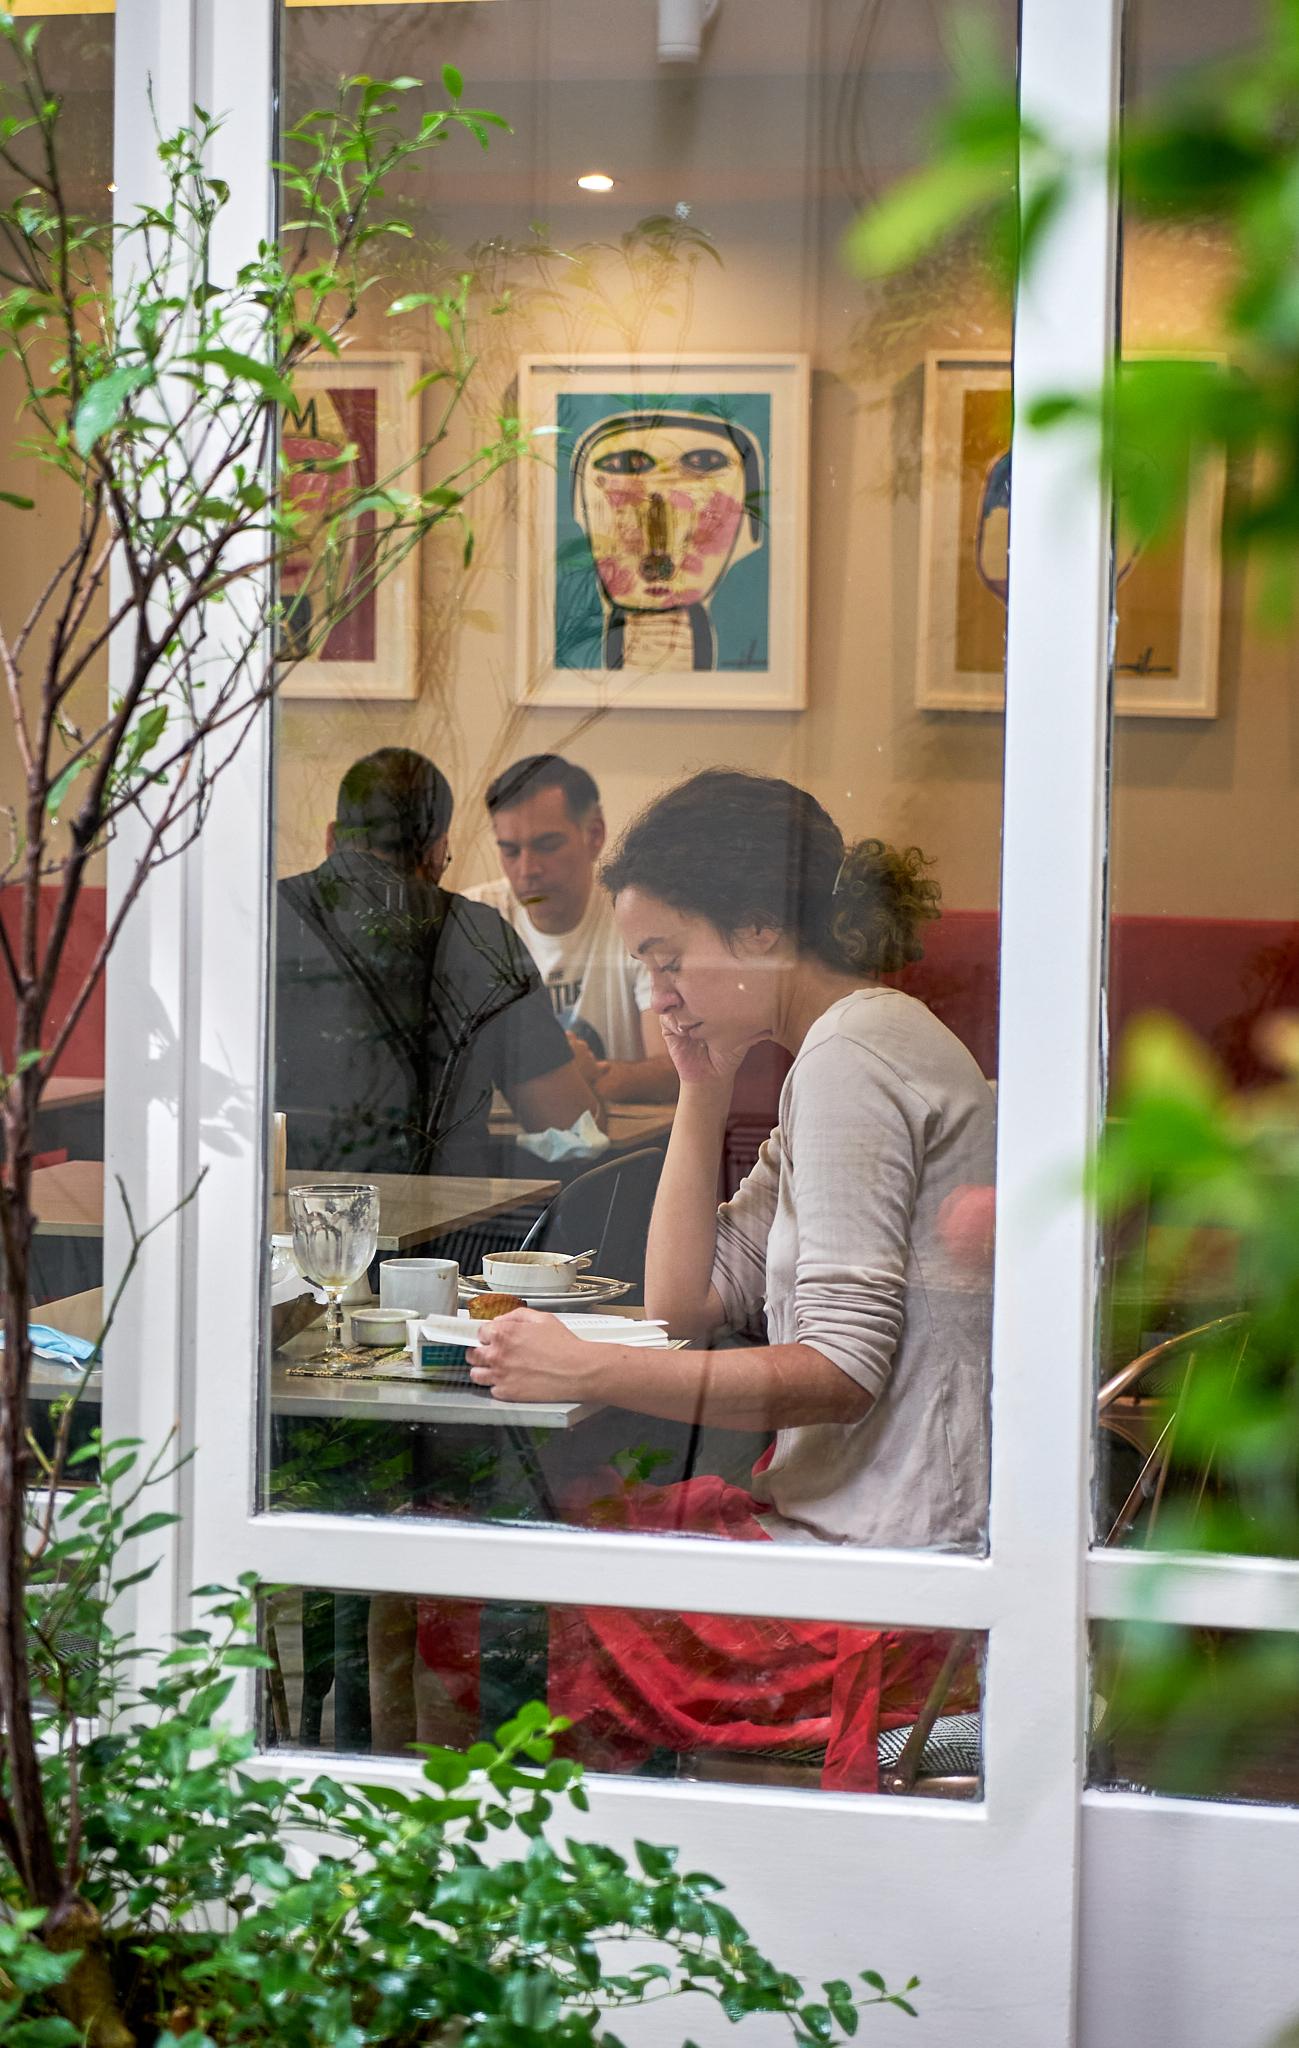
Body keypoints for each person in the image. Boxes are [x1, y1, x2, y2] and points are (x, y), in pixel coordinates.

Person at [454, 769, 997, 1789]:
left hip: (885, 1592)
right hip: (880, 1537)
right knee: (577, 1557)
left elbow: (839, 1367)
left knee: (524, 1594)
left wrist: (590, 1372)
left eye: (668, 959)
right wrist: (700, 1085)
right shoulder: (845, 1049)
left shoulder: (852, 1061)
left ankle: (601, 1903)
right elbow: (685, 1301)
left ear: (756, 929)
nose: (656, 993)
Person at [275, 747, 600, 1177]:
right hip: (439, 1234)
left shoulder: (265, 920)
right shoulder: (476, 935)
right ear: (437, 851)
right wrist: (579, 1072)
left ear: (332, 838)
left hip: (277, 1226)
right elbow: (568, 1125)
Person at [465, 754, 677, 1104]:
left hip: (618, 1152)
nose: (527, 869)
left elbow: (673, 1070)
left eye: (546, 846)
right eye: (510, 851)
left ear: (594, 835)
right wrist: (575, 1082)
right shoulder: (475, 919)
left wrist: (549, 1087)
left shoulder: (636, 921)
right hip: (500, 1153)